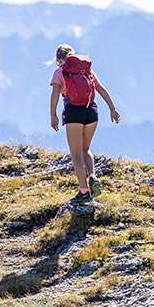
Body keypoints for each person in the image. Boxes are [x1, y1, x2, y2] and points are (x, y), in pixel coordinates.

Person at [49, 44, 120, 206]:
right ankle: (93, 176)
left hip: (74, 112)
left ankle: (84, 192)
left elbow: (54, 95)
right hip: (92, 111)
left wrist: (53, 115)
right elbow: (100, 89)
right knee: (86, 149)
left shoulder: (59, 72)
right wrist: (113, 108)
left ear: (59, 60)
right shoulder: (86, 70)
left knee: (75, 154)